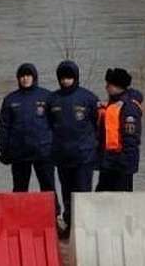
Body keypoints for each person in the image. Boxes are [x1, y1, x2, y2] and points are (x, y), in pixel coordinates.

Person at [47, 60, 99, 237]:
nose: (66, 81)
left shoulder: (89, 98)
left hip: (84, 156)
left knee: (83, 193)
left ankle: (85, 229)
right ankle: (69, 225)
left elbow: (97, 125)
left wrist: (95, 151)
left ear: (75, 78)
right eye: (63, 78)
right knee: (67, 193)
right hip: (62, 156)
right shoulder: (52, 99)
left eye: (69, 78)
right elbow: (48, 125)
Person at [0, 64, 57, 210]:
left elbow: (56, 124)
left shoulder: (47, 96)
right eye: (22, 76)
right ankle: (18, 216)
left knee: (48, 187)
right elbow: (4, 127)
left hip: (43, 151)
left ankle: (53, 215)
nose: (25, 79)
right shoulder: (10, 99)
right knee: (19, 189)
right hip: (19, 153)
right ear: (18, 78)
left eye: (28, 75)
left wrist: (56, 148)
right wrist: (3, 150)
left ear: (34, 77)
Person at [96, 68, 143, 192]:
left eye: (109, 85)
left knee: (122, 199)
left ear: (117, 86)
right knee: (101, 197)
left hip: (121, 163)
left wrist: (125, 161)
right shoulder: (111, 104)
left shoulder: (129, 108)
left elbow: (131, 137)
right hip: (108, 162)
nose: (106, 87)